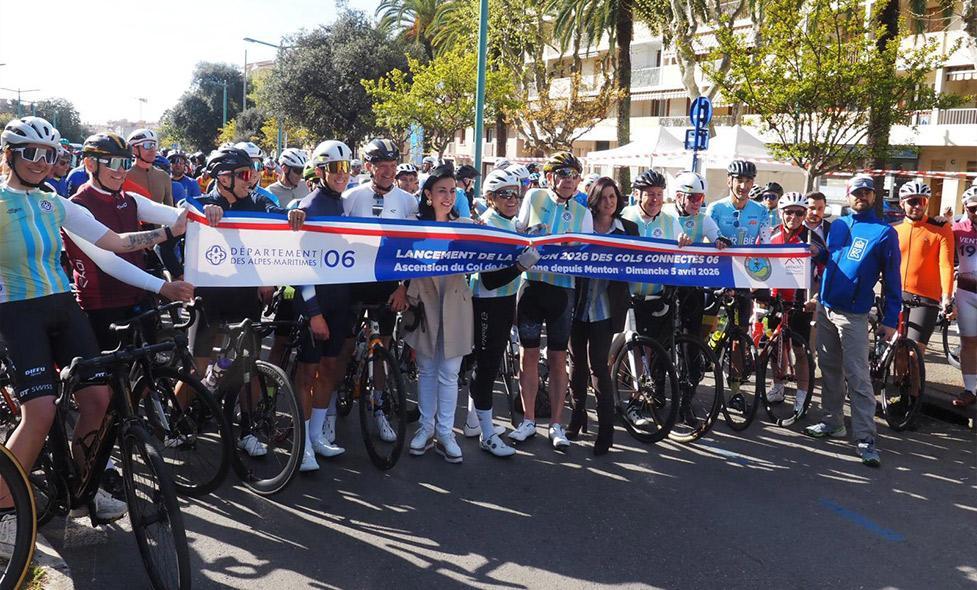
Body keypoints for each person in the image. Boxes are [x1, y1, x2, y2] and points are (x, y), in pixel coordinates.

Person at [0, 116, 190, 531]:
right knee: (41, 414)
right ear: (10, 155)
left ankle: (85, 486)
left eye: (48, 155)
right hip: (17, 311)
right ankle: (5, 511)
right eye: (30, 153)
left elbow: (118, 243)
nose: (39, 162)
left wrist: (169, 229)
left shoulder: (54, 203)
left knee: (99, 401)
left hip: (63, 308)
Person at [192, 147, 305, 458]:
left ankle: (248, 428)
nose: (251, 180)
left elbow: (274, 213)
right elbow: (179, 215)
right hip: (210, 296)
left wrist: (291, 214)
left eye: (253, 173)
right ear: (222, 178)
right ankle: (182, 418)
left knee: (247, 366)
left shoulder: (255, 200)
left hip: (244, 296)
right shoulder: (202, 204)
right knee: (197, 365)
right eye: (244, 175)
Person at [62, 133, 199, 351]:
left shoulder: (130, 199)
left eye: (126, 163)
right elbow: (109, 261)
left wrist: (208, 209)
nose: (121, 171)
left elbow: (178, 215)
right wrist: (163, 286)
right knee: (111, 378)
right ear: (89, 163)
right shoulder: (77, 207)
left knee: (149, 371)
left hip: (138, 298)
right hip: (102, 307)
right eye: (113, 163)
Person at [803, 175, 901, 468]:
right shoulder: (839, 226)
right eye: (856, 192)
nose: (861, 197)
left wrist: (891, 318)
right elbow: (834, 261)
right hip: (826, 308)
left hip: (854, 315)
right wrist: (820, 256)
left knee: (857, 375)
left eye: (866, 193)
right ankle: (833, 422)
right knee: (829, 369)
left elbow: (893, 279)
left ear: (873, 196)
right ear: (848, 195)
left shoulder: (884, 233)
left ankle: (866, 439)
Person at [509, 151, 593, 450]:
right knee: (527, 355)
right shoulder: (533, 197)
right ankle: (529, 420)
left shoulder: (584, 212)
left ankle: (556, 424)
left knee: (559, 358)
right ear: (550, 177)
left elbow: (587, 254)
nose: (569, 181)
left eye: (574, 175)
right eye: (563, 174)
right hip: (532, 286)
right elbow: (517, 230)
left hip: (562, 291)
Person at [343, 138, 417, 440]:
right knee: (344, 347)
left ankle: (379, 408)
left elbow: (412, 249)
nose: (388, 171)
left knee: (382, 348)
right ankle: (332, 409)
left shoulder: (407, 201)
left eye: (392, 166)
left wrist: (403, 288)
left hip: (388, 285)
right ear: (370, 167)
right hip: (353, 283)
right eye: (382, 166)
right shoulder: (350, 197)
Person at [291, 140, 356, 471]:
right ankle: (301, 445)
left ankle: (316, 436)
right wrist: (313, 312)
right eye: (335, 168)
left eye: (346, 168)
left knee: (330, 369)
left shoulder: (342, 203)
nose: (342, 175)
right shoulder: (310, 205)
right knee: (307, 373)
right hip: (316, 304)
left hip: (340, 300)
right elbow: (300, 265)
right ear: (320, 171)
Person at [464, 169, 538, 458]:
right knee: (486, 366)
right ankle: (487, 434)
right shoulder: (487, 225)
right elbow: (489, 279)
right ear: (491, 198)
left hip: (505, 301)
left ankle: (473, 422)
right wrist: (520, 266)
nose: (512, 199)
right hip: (486, 301)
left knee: (487, 365)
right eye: (504, 194)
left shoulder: (509, 222)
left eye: (516, 193)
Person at [405, 165, 475, 463]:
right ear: (428, 195)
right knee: (427, 370)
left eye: (452, 191)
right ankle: (425, 427)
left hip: (456, 305)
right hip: (423, 305)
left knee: (449, 373)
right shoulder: (411, 226)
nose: (447, 197)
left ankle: (446, 433)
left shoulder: (467, 226)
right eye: (442, 191)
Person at [569, 177, 637, 455]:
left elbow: (646, 258)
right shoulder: (581, 224)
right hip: (577, 304)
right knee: (577, 364)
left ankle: (606, 431)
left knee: (598, 365)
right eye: (603, 197)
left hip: (606, 309)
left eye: (613, 197)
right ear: (594, 201)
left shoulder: (628, 229)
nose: (609, 202)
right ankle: (577, 416)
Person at [618, 170, 692, 426]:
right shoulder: (625, 217)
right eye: (650, 194)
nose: (655, 199)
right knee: (613, 351)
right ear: (638, 195)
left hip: (653, 296)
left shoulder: (670, 221)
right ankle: (608, 390)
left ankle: (636, 404)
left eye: (660, 195)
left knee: (643, 351)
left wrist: (683, 240)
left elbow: (683, 246)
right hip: (624, 294)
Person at [761, 191, 825, 413]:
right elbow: (758, 264)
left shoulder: (811, 238)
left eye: (799, 213)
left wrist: (816, 297)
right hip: (775, 301)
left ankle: (801, 395)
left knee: (801, 352)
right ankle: (778, 386)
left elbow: (826, 271)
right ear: (781, 212)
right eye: (789, 212)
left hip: (801, 304)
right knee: (776, 347)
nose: (794, 217)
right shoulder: (770, 235)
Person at [894, 180, 954, 347]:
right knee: (896, 350)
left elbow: (946, 265)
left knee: (915, 352)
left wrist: (947, 297)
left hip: (925, 298)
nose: (918, 206)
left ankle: (914, 373)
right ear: (902, 203)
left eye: (923, 201)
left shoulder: (941, 228)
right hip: (895, 293)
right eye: (913, 201)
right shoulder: (893, 230)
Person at [951, 186, 977, 407]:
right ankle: (970, 390)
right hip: (966, 292)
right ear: (966, 208)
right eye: (973, 208)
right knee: (968, 342)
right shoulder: (957, 229)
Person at [124, 128, 173, 206]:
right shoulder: (123, 175)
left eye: (154, 145)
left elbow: (171, 211)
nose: (153, 149)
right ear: (134, 149)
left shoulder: (164, 176)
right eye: (147, 145)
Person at [234, 141, 280, 206]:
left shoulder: (270, 198)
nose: (254, 173)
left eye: (258, 166)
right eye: (248, 167)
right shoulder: (219, 196)